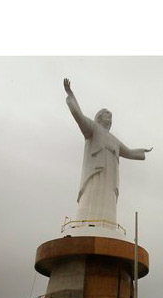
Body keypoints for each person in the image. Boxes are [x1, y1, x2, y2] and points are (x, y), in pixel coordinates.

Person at [63, 78, 153, 227]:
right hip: (95, 171)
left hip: (109, 176)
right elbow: (79, 116)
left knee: (107, 197)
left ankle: (108, 224)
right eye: (107, 115)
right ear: (99, 118)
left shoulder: (114, 140)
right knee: (93, 192)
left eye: (111, 117)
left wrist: (142, 152)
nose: (110, 118)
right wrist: (71, 95)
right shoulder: (93, 127)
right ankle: (86, 222)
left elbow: (129, 152)